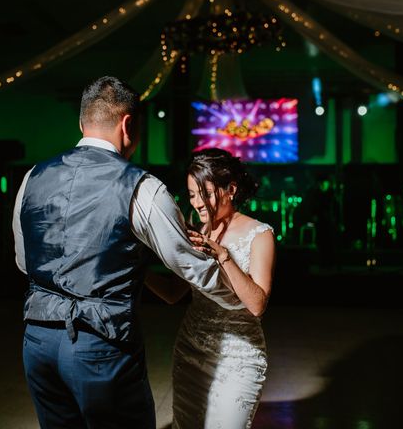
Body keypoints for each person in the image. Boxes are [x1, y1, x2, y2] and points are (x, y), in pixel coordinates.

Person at [12, 76, 242, 429]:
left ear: (81, 123)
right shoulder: (141, 187)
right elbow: (189, 267)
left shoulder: (33, 177)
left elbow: (24, 261)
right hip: (100, 344)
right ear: (128, 123)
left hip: (37, 341)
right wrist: (241, 299)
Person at [145, 148, 276, 428]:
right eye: (192, 195)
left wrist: (223, 255)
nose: (197, 203)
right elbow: (172, 294)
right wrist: (138, 270)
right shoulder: (196, 234)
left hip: (239, 358)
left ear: (230, 189)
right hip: (191, 352)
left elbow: (257, 304)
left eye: (204, 193)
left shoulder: (260, 235)